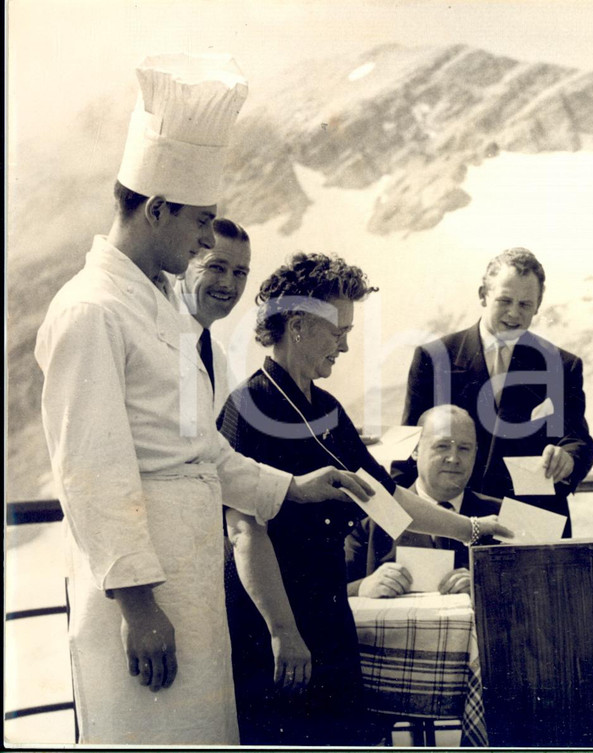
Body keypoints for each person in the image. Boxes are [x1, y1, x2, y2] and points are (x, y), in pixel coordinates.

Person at [33, 54, 371, 745]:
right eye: (199, 223)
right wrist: (137, 605)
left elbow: (203, 452)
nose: (200, 240)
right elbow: (90, 469)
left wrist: (293, 488)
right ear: (156, 208)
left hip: (191, 585)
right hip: (143, 595)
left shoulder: (162, 310)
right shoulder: (92, 310)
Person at [219, 252, 512, 745]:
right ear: (297, 326)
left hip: (328, 610)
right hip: (274, 622)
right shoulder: (248, 406)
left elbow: (386, 498)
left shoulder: (327, 408)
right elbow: (244, 531)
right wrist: (283, 630)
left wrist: (472, 528)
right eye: (338, 332)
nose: (345, 345)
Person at [402, 247, 593, 536]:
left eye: (525, 304)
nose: (514, 314)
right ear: (483, 295)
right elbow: (409, 445)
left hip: (530, 522)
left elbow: (577, 439)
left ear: (538, 306)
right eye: (505, 301)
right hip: (451, 521)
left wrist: (567, 459)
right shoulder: (434, 358)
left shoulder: (562, 365)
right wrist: (400, 526)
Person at [346, 404, 502, 597]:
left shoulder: (500, 518)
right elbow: (326, 591)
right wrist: (362, 587)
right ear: (415, 449)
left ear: (475, 454)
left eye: (464, 448)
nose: (453, 458)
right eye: (442, 446)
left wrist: (484, 586)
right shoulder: (369, 516)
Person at [174, 217, 252, 412]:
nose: (228, 284)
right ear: (181, 266)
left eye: (240, 273)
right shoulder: (151, 333)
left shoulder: (217, 358)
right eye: (216, 267)